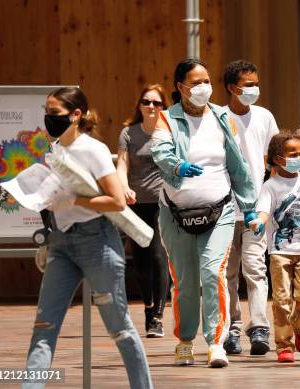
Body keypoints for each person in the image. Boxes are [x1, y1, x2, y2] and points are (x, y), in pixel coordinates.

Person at [25, 87, 153, 388]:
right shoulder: (54, 150)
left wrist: (74, 202)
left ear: (76, 115)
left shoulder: (92, 150)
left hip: (97, 242)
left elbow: (117, 201)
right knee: (44, 326)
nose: (48, 119)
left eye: (54, 113)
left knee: (119, 328)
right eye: (47, 112)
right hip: (62, 243)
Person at [151, 58, 259, 368]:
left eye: (207, 81)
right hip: (176, 215)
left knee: (213, 273)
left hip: (220, 210)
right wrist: (176, 166)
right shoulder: (167, 118)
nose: (203, 88)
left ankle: (215, 343)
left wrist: (250, 209)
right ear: (180, 87)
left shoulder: (223, 117)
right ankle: (185, 341)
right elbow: (160, 151)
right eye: (196, 82)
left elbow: (238, 167)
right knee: (185, 282)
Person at [222, 60, 278, 356]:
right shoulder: (217, 118)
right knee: (228, 272)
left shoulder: (264, 117)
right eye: (248, 85)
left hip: (256, 209)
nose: (255, 89)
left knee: (255, 268)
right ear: (232, 88)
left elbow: (272, 160)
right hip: (224, 209)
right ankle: (232, 327)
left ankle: (259, 327)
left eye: (257, 83)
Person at [249, 130, 300, 363]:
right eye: (292, 154)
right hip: (279, 252)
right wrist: (259, 221)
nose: (298, 157)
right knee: (281, 299)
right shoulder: (271, 186)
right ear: (278, 158)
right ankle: (283, 345)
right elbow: (264, 210)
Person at [117, 84, 170, 338]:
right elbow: (121, 166)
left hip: (163, 203)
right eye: (147, 102)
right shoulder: (128, 133)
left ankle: (158, 316)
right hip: (136, 203)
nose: (151, 107)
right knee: (140, 261)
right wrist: (124, 187)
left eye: (157, 103)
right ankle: (148, 308)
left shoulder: (169, 133)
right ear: (139, 105)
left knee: (159, 256)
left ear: (163, 108)